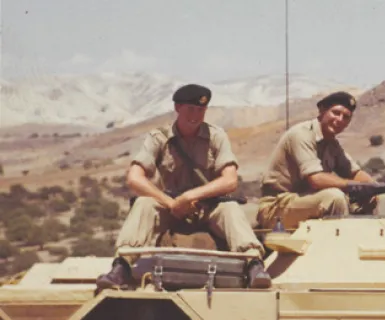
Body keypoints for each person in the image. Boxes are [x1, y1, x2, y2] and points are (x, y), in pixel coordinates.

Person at [96, 84, 271, 291]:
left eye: (201, 110)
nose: (195, 115)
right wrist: (171, 203)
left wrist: (189, 197)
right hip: (169, 207)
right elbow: (134, 178)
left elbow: (230, 181)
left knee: (230, 209)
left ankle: (254, 265)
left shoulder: (216, 136)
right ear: (178, 108)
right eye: (190, 109)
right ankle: (121, 267)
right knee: (144, 204)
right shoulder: (158, 137)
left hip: (207, 207)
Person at [257, 91, 378, 230]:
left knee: (370, 197)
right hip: (275, 207)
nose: (339, 120)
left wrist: (374, 187)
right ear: (322, 111)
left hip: (305, 202)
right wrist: (353, 186)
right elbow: (316, 180)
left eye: (346, 117)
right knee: (335, 198)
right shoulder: (302, 134)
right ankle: (337, 247)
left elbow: (354, 172)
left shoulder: (332, 145)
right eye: (336, 113)